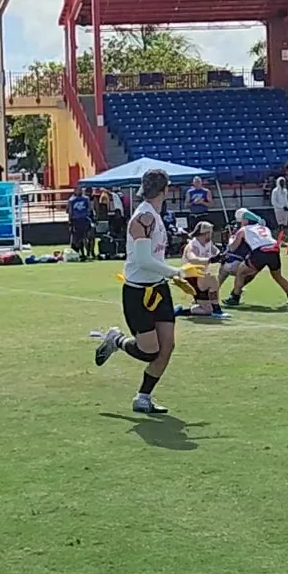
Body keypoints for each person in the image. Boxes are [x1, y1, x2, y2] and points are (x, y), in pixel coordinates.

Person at [89, 168, 185, 416]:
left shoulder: (154, 215)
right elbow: (143, 260)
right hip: (137, 292)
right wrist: (176, 272)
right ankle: (117, 340)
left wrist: (170, 275)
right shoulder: (143, 217)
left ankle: (143, 397)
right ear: (165, 190)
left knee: (167, 347)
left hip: (158, 289)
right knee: (150, 351)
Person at [222, 210, 288, 309]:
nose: (241, 222)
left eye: (242, 220)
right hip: (274, 250)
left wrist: (231, 239)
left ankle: (235, 297)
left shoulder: (243, 229)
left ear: (247, 220)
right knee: (278, 276)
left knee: (241, 272)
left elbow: (232, 248)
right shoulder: (265, 228)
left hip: (260, 252)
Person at [179, 220, 226, 318]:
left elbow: (216, 252)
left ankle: (183, 310)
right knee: (213, 281)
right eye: (210, 232)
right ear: (205, 233)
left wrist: (222, 256)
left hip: (200, 276)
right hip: (191, 277)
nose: (211, 235)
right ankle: (216, 309)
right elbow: (192, 259)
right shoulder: (192, 245)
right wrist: (210, 260)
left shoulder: (208, 243)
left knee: (206, 310)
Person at [67, 186, 94, 259]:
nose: (79, 191)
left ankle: (88, 253)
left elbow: (89, 208)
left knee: (85, 237)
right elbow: (70, 211)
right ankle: (82, 253)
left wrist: (88, 216)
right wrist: (70, 221)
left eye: (80, 190)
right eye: (78, 190)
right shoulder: (72, 200)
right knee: (79, 239)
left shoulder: (85, 199)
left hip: (84, 220)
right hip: (76, 220)